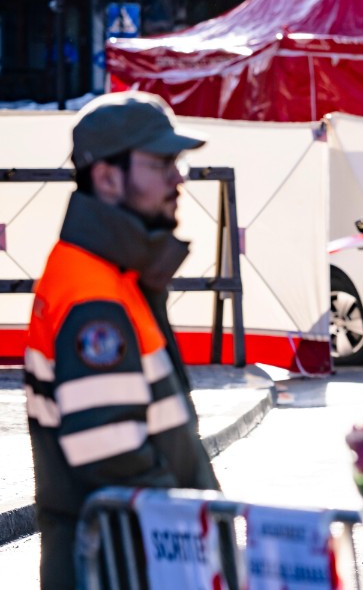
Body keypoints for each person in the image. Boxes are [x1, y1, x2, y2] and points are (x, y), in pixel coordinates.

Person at [23, 91, 221, 588]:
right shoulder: (93, 296)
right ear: (108, 177)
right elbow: (111, 452)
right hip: (123, 569)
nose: (179, 178)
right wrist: (191, 538)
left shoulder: (110, 277)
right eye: (161, 162)